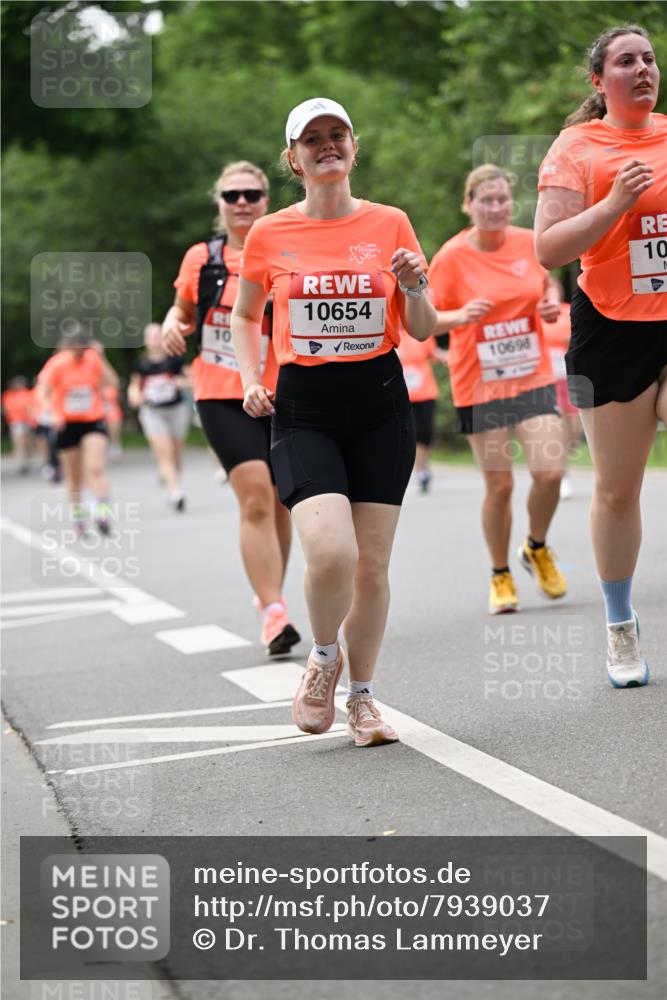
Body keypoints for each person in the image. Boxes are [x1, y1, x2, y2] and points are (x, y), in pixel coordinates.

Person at [231, 98, 436, 747]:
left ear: (353, 146)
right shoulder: (269, 233)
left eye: (336, 134)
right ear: (292, 159)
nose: (327, 145)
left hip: (379, 405)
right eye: (311, 139)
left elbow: (422, 328)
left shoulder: (390, 223)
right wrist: (250, 376)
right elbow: (243, 315)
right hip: (303, 408)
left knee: (370, 566)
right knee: (331, 551)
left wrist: (413, 286)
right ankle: (323, 657)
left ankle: (364, 699)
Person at [535, 24, 666, 687]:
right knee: (618, 491)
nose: (641, 69)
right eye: (625, 61)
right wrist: (615, 203)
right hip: (611, 326)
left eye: (648, 58)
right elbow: (548, 249)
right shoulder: (575, 149)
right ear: (598, 81)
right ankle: (619, 626)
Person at [162, 161, 300, 654]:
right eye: (232, 195)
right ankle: (271, 611)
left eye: (252, 194)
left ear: (266, 199)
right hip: (221, 392)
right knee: (257, 497)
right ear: (219, 203)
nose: (242, 202)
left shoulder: (287, 246)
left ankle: (272, 596)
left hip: (284, 390)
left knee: (285, 501)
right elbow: (181, 310)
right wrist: (171, 325)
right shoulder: (202, 257)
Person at [429, 164, 567, 615]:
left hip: (530, 373)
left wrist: (549, 301)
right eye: (485, 201)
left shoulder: (529, 241)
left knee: (549, 472)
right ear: (468, 205)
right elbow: (424, 322)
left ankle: (537, 546)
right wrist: (460, 315)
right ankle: (500, 573)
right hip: (480, 383)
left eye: (502, 200)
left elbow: (549, 279)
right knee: (501, 486)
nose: (495, 208)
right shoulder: (451, 257)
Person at [36, 326, 119, 536]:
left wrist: (103, 358)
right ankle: (78, 518)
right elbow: (42, 392)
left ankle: (103, 514)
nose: (79, 355)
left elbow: (113, 383)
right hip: (67, 423)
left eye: (82, 350)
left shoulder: (93, 359)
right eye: (75, 351)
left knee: (96, 469)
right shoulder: (57, 364)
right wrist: (52, 413)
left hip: (93, 421)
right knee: (73, 476)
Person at [128, 323, 191, 511]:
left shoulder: (176, 359)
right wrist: (134, 396)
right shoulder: (142, 364)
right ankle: (175, 492)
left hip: (176, 410)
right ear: (146, 341)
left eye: (158, 335)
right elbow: (134, 385)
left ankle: (173, 482)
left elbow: (192, 379)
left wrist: (182, 382)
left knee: (175, 453)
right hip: (153, 412)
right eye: (152, 336)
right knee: (164, 454)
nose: (155, 339)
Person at [541, 280, 583, 499]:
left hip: (571, 378)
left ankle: (565, 454)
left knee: (574, 428)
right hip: (546, 381)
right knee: (557, 429)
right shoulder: (534, 315)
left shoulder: (569, 311)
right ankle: (562, 474)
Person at [396, 331, 444, 492]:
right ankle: (421, 471)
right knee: (414, 435)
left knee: (427, 434)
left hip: (426, 393)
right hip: (404, 395)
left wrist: (448, 357)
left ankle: (423, 463)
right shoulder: (392, 335)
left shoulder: (420, 333)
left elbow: (434, 353)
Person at [2, 376, 34, 474]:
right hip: (15, 421)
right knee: (18, 442)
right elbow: (6, 409)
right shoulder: (8, 395)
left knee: (27, 442)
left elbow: (30, 407)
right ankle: (21, 463)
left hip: (27, 421)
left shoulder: (27, 394)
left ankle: (27, 459)